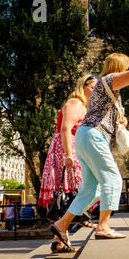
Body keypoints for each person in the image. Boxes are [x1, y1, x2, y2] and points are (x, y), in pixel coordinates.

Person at [49, 53, 129, 252]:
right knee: (113, 179)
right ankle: (103, 227)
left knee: (91, 189)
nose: (128, 69)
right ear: (120, 67)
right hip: (94, 136)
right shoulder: (108, 80)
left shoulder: (105, 86)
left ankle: (61, 225)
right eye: (126, 66)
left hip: (87, 136)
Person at [39, 74, 98, 233]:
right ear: (83, 87)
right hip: (67, 147)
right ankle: (62, 233)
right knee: (69, 189)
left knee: (78, 187)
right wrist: (68, 154)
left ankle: (67, 229)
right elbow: (65, 128)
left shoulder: (85, 107)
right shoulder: (75, 103)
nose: (95, 91)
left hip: (76, 147)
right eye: (92, 87)